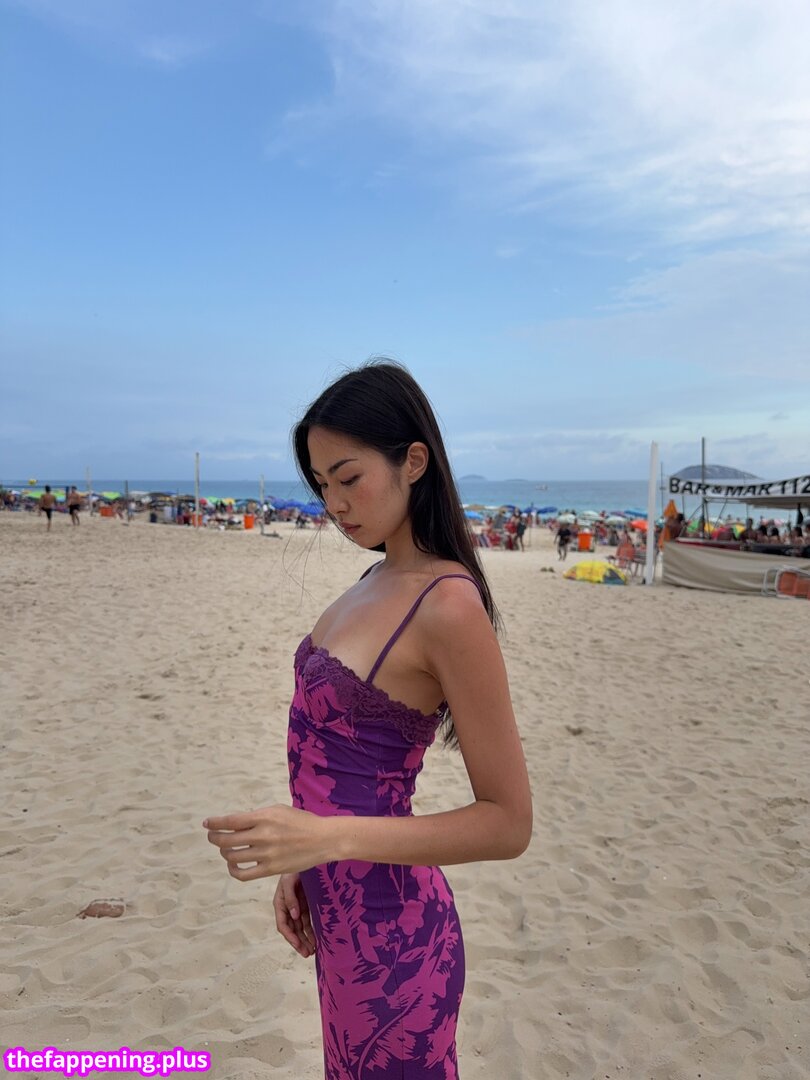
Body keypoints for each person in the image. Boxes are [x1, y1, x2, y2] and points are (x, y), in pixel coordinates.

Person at [202, 361, 532, 1080]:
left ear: (413, 462)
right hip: (341, 925)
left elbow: (509, 824)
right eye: (322, 484)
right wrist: (307, 861)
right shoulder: (374, 579)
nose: (334, 503)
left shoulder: (449, 606)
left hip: (398, 942)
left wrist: (325, 838)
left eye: (349, 478)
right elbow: (333, 771)